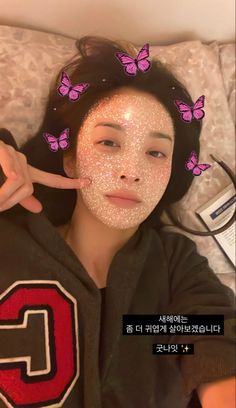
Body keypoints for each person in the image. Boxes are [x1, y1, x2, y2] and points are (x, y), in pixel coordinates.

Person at [0, 36, 235, 408]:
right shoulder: (8, 242)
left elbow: (212, 337)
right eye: (109, 143)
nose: (131, 172)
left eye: (156, 152)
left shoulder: (175, 268)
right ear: (71, 158)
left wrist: (140, 329)